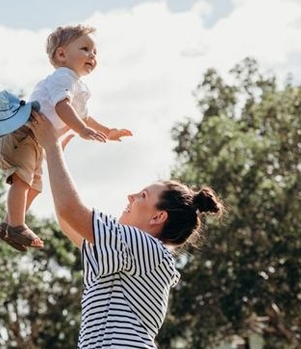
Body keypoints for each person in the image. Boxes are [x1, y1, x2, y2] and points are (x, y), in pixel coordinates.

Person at [29, 110, 225, 348]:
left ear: (158, 216)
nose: (130, 196)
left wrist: (52, 147)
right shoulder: (128, 251)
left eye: (142, 195)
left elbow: (71, 210)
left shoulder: (147, 247)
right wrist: (54, 156)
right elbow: (67, 219)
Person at [0, 24, 132, 252]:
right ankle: (17, 225)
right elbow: (62, 107)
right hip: (24, 131)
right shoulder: (62, 77)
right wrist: (80, 130)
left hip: (37, 140)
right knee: (22, 180)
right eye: (85, 49)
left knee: (35, 186)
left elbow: (85, 117)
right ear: (61, 53)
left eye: (95, 52)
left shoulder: (78, 85)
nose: (92, 56)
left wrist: (109, 131)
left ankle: (9, 224)